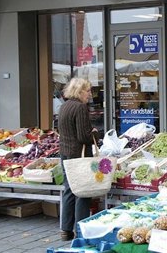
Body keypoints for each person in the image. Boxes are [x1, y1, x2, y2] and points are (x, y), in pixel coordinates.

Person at [58, 78, 98, 241]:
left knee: (69, 190)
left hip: (65, 154)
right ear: (79, 91)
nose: (90, 94)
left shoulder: (64, 106)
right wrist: (95, 133)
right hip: (79, 155)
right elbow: (84, 137)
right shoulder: (80, 108)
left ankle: (65, 230)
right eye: (87, 91)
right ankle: (80, 229)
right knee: (82, 192)